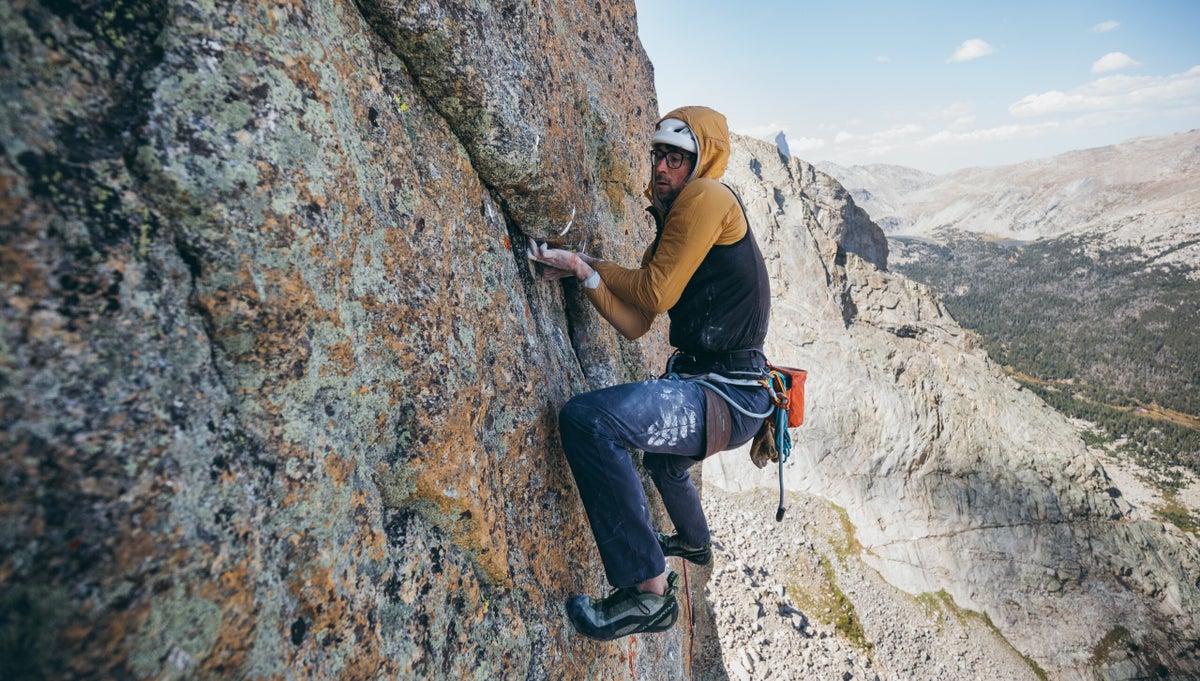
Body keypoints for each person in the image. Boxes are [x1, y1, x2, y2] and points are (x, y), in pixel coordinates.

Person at [527, 106, 772, 641]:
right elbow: (637, 322)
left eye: (676, 157)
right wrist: (588, 276)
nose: (662, 167)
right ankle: (697, 543)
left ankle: (647, 593)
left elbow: (654, 293)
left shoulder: (709, 197)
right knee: (665, 463)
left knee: (590, 421)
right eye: (657, 155)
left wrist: (580, 259)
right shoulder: (672, 231)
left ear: (700, 161)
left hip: (725, 396)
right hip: (721, 393)